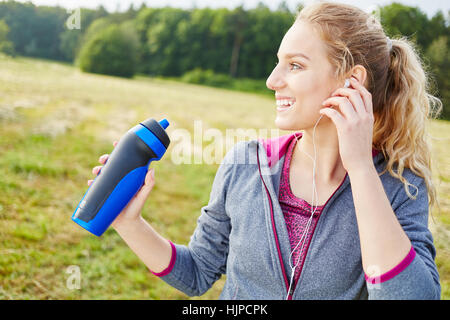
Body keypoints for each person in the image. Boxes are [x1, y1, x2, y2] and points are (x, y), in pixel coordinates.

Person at [88, 2, 441, 299]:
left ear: (351, 81)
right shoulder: (244, 164)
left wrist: (361, 169)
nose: (272, 80)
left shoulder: (399, 187)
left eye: (295, 65)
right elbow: (197, 273)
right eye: (279, 62)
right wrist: (128, 222)